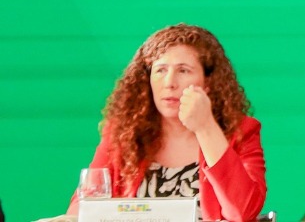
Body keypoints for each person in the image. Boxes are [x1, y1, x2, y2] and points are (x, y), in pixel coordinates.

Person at [60, 24, 266, 222]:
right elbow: (85, 204)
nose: (169, 83)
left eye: (183, 70)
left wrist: (206, 127)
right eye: (160, 70)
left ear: (209, 82)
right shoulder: (124, 131)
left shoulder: (241, 131)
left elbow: (243, 212)